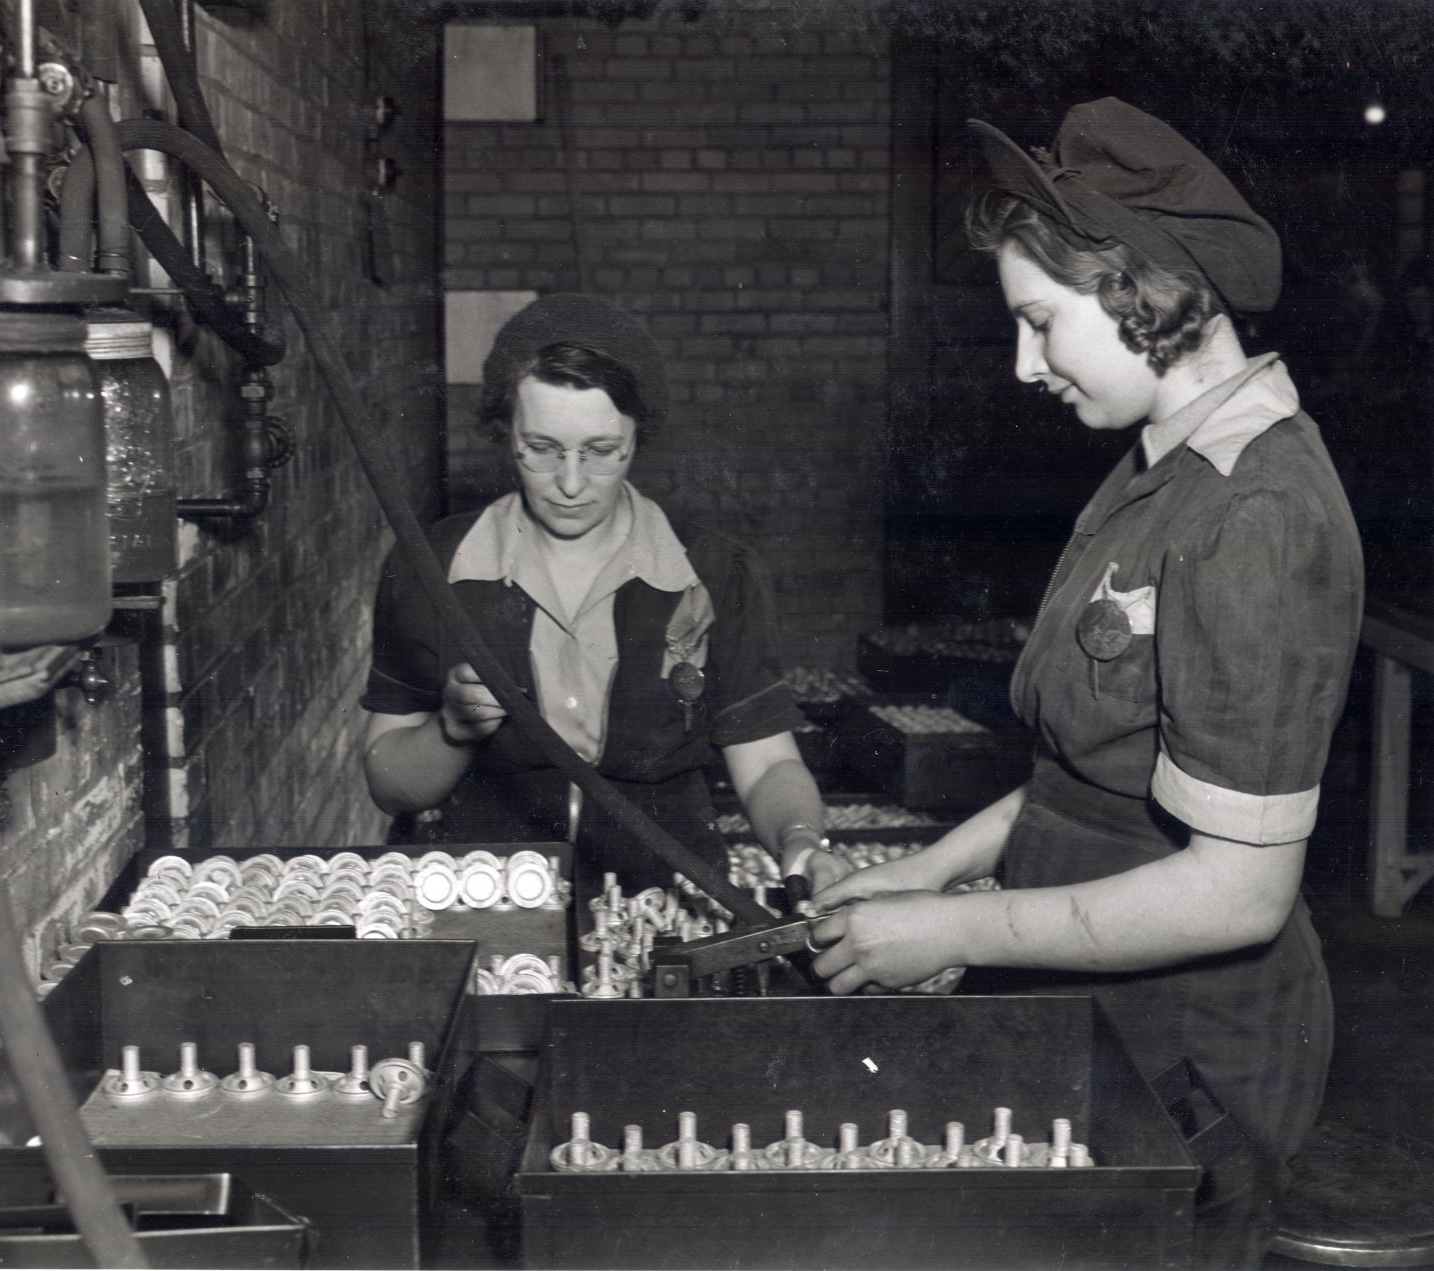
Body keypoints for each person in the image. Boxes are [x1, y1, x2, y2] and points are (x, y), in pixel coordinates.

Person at [808, 99, 1363, 1267]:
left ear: (1139, 293)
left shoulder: (1256, 512)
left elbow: (1238, 893)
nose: (1024, 364)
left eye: (1040, 322)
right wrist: (933, 863)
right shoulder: (1153, 473)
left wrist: (949, 924)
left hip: (1185, 1059)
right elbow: (1089, 766)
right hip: (1083, 1009)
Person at [361, 294, 840, 894]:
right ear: (504, 432)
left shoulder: (716, 573)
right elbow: (388, 781)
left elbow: (767, 759)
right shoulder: (429, 567)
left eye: (600, 452)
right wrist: (451, 731)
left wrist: (800, 841)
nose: (569, 483)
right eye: (541, 449)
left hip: (665, 904)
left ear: (638, 438)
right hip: (483, 902)